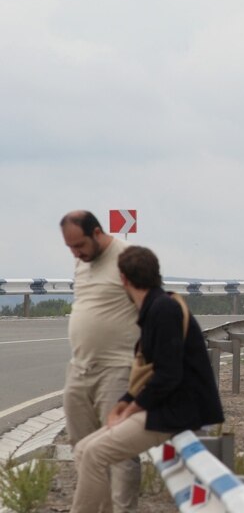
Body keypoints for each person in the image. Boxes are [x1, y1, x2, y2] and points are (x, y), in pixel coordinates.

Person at [71, 245, 224, 513]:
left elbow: (168, 374)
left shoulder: (163, 310)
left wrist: (132, 408)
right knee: (84, 450)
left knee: (94, 454)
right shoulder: (158, 305)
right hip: (165, 406)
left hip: (174, 411)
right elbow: (156, 371)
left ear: (123, 280)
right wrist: (127, 400)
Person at [59, 210, 141, 512]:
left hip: (117, 368)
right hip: (79, 369)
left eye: (79, 245)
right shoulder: (82, 262)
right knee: (83, 448)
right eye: (69, 247)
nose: (75, 253)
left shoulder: (128, 258)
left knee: (118, 450)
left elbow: (150, 307)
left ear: (96, 233)